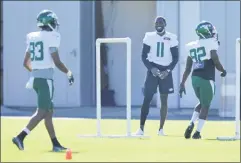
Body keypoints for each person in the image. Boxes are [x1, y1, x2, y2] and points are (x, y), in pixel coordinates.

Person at [12, 10, 74, 151]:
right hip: (46, 79)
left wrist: (35, 73)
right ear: (49, 23)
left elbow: (25, 62)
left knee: (48, 113)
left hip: (36, 79)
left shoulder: (32, 37)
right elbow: (57, 62)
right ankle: (20, 137)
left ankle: (55, 144)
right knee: (42, 112)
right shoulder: (52, 36)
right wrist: (69, 72)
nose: (54, 25)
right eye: (52, 22)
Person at [179, 21, 226, 139]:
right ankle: (197, 132)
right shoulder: (211, 43)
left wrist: (182, 83)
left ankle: (191, 123)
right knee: (206, 105)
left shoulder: (191, 45)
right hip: (206, 77)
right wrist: (223, 71)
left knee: (201, 102)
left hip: (194, 78)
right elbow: (215, 61)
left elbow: (188, 68)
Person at [135, 16, 179, 136]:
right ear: (154, 24)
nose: (159, 24)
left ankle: (161, 129)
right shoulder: (149, 36)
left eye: (161, 22)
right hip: (153, 69)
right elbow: (144, 56)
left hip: (166, 70)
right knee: (147, 98)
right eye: (157, 22)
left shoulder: (172, 37)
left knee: (164, 100)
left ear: (165, 24)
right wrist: (151, 68)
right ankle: (141, 129)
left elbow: (176, 57)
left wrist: (168, 71)